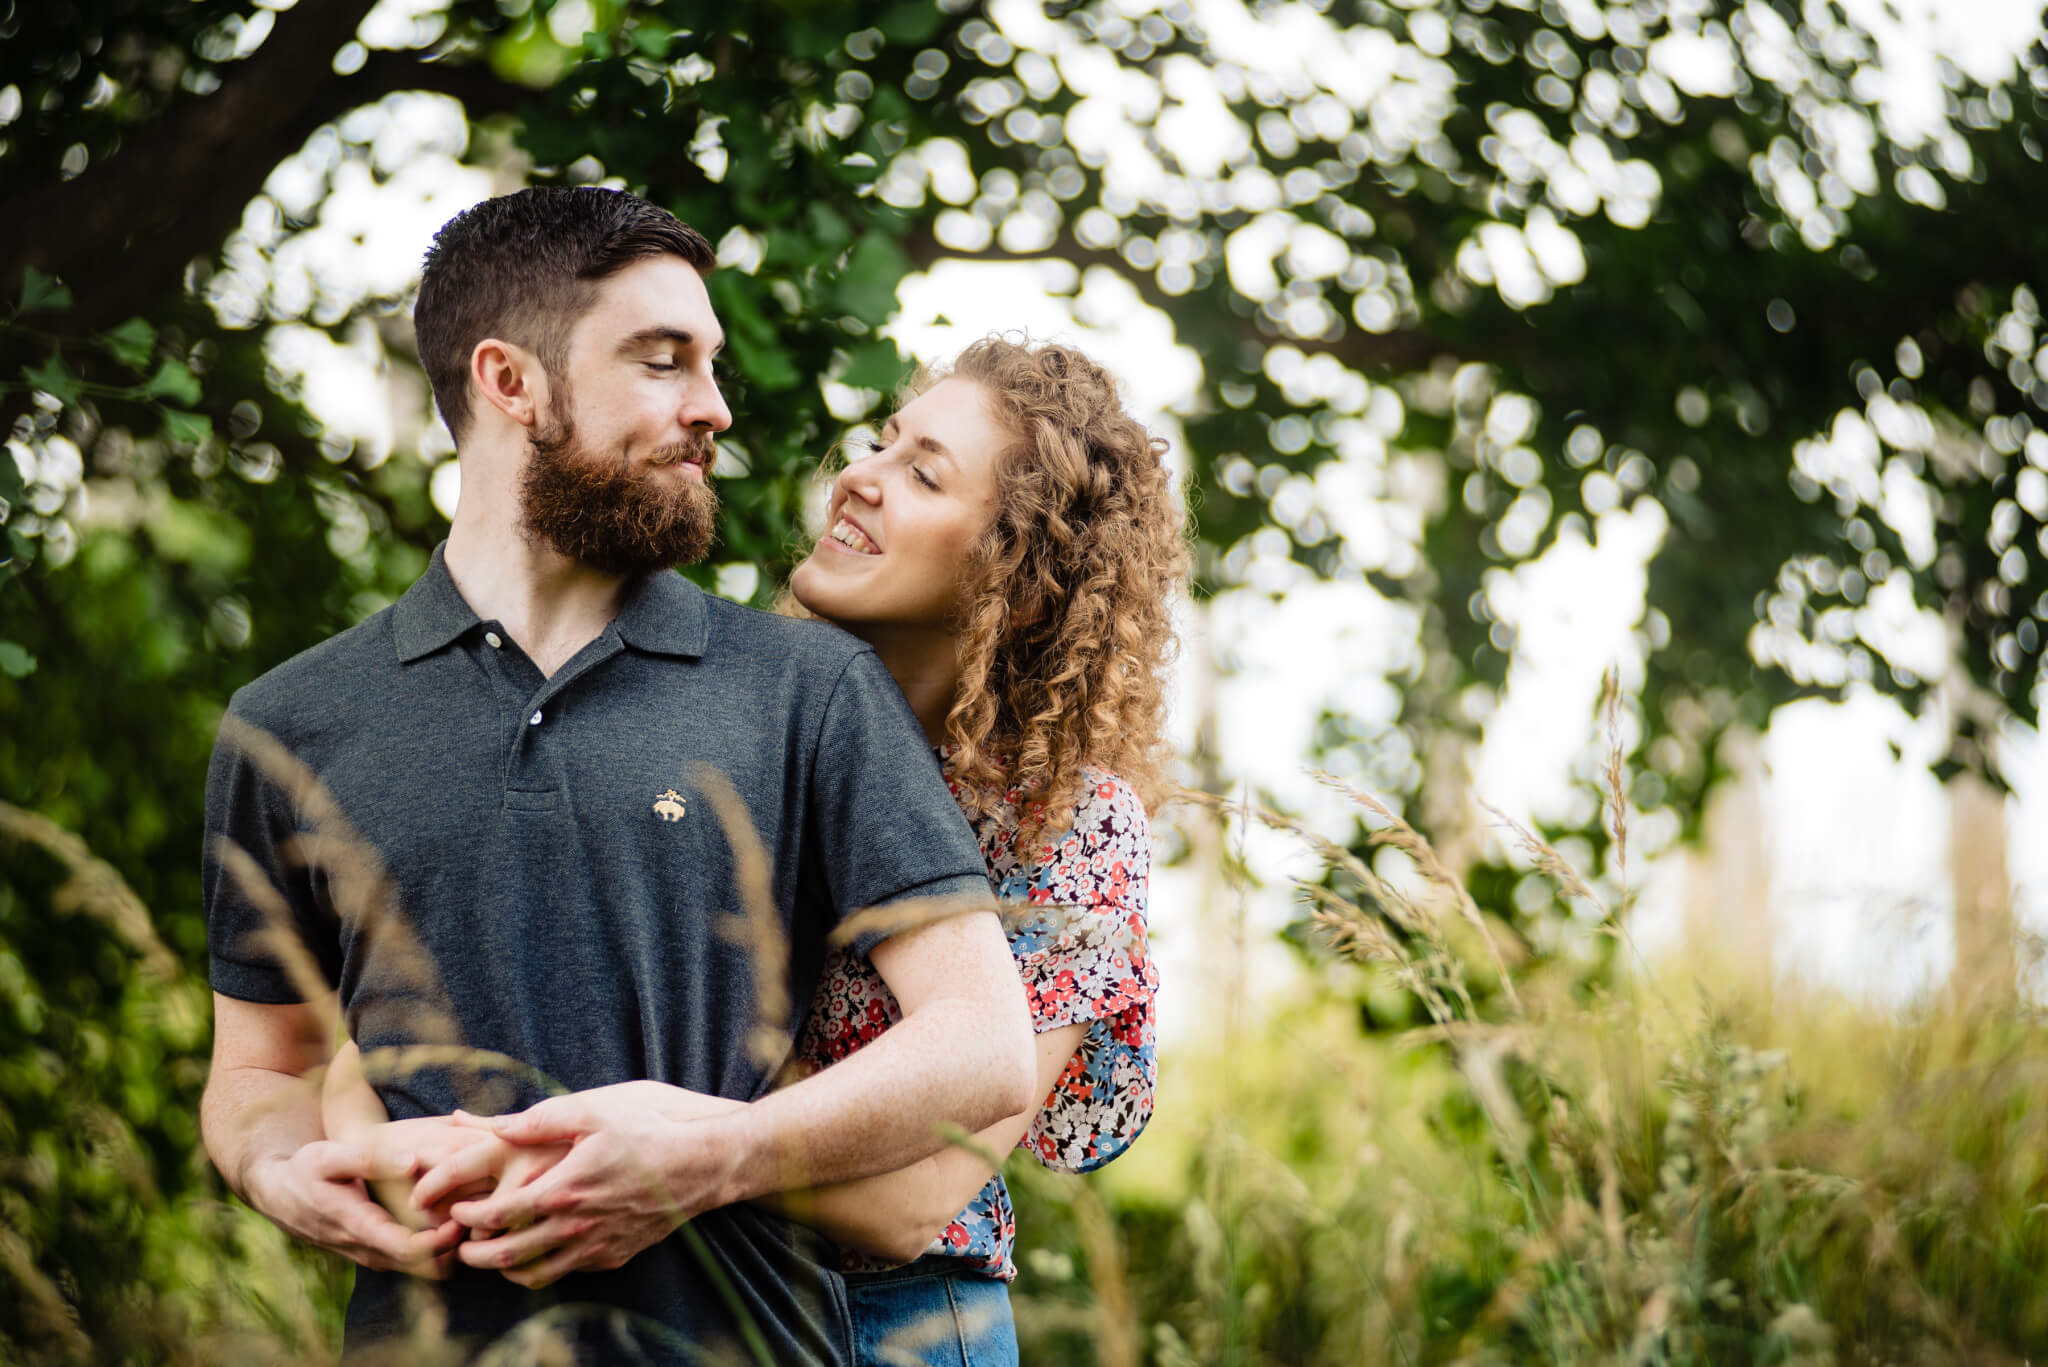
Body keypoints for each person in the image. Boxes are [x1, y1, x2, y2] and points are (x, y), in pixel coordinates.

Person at [199, 187, 1038, 1365]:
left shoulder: (804, 687)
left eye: (712, 365)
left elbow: (981, 1042)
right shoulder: (288, 722)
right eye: (662, 362)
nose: (714, 408)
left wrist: (717, 1151)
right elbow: (261, 1065)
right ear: (510, 381)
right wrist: (285, 1171)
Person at [380, 338, 1187, 1365]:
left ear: (1017, 578)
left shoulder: (1066, 826)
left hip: (890, 1321)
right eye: (881, 444)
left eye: (922, 471)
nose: (860, 475)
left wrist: (671, 1142)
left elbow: (913, 1195)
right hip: (682, 1296)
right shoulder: (724, 736)